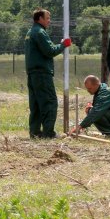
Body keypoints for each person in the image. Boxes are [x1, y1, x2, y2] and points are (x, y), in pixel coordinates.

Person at [24, 8, 71, 139]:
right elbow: (50, 50)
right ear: (40, 19)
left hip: (32, 74)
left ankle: (35, 132)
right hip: (42, 73)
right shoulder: (39, 32)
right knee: (49, 102)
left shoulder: (30, 32)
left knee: (36, 104)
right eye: (47, 18)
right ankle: (49, 133)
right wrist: (63, 45)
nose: (49, 21)